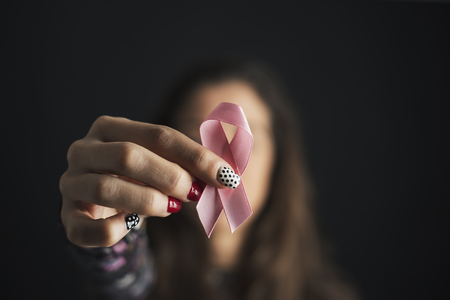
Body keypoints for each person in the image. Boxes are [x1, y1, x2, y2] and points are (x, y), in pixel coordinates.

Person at [59, 56, 358, 300]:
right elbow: (120, 280)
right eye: (197, 137)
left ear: (278, 159)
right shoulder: (145, 281)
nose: (221, 160)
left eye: (244, 139)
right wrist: (108, 230)